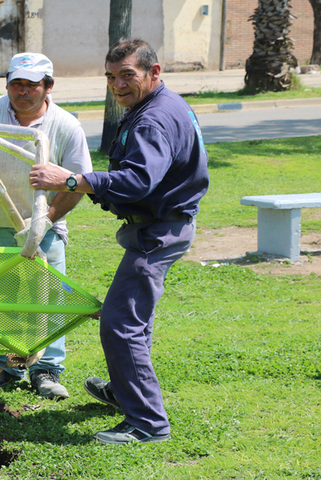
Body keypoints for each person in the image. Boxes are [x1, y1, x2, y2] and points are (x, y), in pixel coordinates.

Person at [27, 38, 210, 444]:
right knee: (129, 319)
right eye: (111, 77)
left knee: (120, 323)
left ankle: (147, 423)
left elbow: (140, 180)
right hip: (161, 226)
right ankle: (128, 392)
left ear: (153, 72)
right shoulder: (159, 105)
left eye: (127, 75)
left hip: (159, 232)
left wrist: (72, 179)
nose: (117, 85)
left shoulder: (152, 120)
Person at [0, 52, 93, 400]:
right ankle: (1, 366)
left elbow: (79, 182)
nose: (22, 92)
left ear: (48, 87)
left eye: (31, 85)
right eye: (16, 84)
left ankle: (45, 370)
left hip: (44, 226)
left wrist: (46, 219)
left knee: (48, 300)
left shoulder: (66, 126)